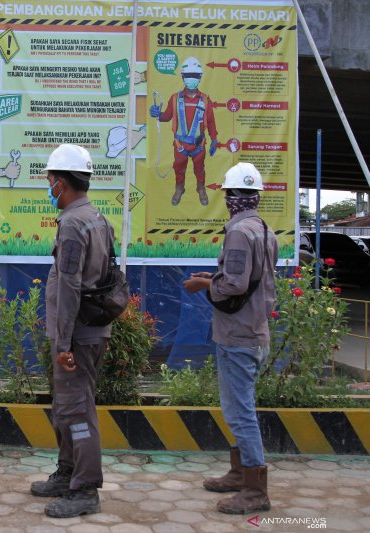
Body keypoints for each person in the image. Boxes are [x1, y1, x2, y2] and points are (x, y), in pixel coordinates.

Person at [182, 162, 277, 514]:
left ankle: (254, 490)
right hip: (253, 330)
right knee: (239, 408)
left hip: (238, 334)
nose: (226, 200)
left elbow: (235, 284)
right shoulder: (264, 229)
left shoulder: (239, 232)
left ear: (232, 197)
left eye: (227, 194)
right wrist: (215, 276)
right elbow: (247, 277)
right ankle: (239, 473)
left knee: (240, 413)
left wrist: (204, 284)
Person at [30, 144, 112, 518]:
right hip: (85, 331)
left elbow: (70, 287)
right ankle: (67, 473)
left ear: (61, 183)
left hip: (76, 337)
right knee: (67, 408)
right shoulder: (97, 217)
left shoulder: (74, 224)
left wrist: (63, 343)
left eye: (49, 181)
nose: (49, 189)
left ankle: (85, 490)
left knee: (77, 412)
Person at [150, 56, 219, 206]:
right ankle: (179, 188)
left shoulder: (206, 100)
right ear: (183, 77)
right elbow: (166, 117)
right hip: (180, 145)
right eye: (188, 76)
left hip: (199, 145)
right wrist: (157, 114)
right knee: (179, 169)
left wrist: (214, 139)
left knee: (200, 169)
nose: (191, 79)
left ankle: (201, 189)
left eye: (194, 76)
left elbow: (212, 121)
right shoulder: (175, 99)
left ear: (200, 77)